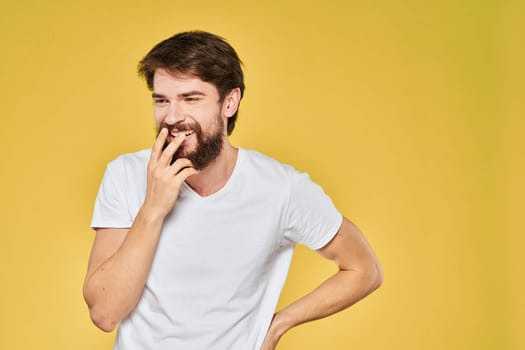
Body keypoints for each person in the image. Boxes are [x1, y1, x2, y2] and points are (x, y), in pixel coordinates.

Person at [83, 30, 383, 350]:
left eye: (191, 98)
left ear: (230, 102)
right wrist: (153, 209)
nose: (172, 116)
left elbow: (364, 269)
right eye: (162, 100)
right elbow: (104, 313)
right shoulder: (125, 175)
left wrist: (280, 323)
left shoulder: (281, 188)